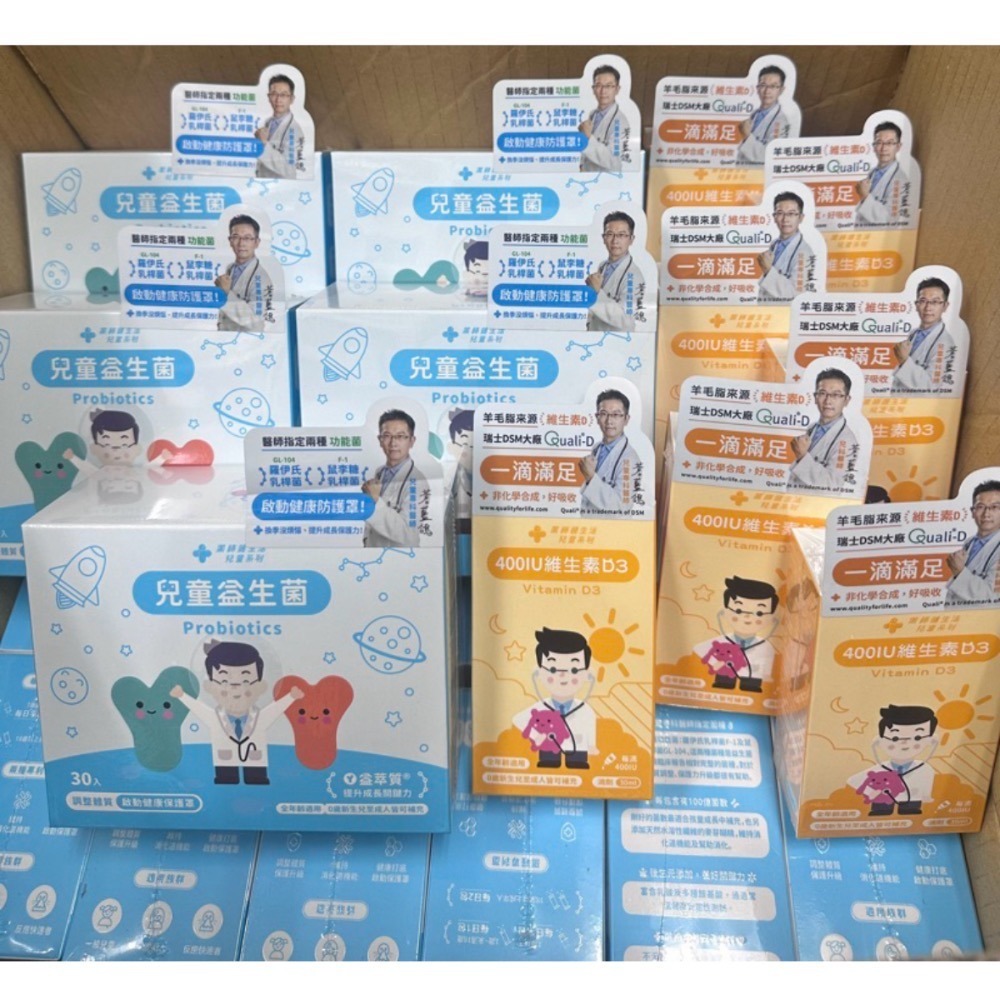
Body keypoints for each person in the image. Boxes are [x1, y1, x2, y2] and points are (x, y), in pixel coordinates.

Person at [170, 640, 303, 786]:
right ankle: (227, 778)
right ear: (210, 687)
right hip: (224, 758)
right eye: (224, 682)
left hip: (255, 758)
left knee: (256, 777)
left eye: (245, 681)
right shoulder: (215, 717)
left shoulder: (259, 717)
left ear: (260, 686)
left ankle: (256, 777)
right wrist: (182, 696)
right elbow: (198, 709)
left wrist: (291, 697)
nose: (235, 688)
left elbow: (275, 710)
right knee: (226, 776)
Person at [512, 628, 598, 769]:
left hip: (578, 747)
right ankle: (549, 760)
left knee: (578, 763)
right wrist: (536, 736)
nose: (562, 676)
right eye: (553, 670)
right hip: (549, 746)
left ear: (587, 674)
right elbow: (518, 719)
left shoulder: (584, 709)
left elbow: (590, 725)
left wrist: (591, 745)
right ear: (539, 673)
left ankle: (577, 760)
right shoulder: (540, 708)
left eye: (574, 670)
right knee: (548, 762)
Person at [848, 705, 939, 816]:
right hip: (882, 800)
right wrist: (872, 793)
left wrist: (925, 796)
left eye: (917, 738)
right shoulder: (878, 770)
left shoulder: (925, 768)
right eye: (895, 738)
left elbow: (926, 784)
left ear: (931, 740)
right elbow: (853, 780)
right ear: (879, 741)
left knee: (911, 809)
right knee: (881, 811)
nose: (905, 743)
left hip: (912, 800)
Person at [693, 577, 779, 693]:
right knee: (723, 685)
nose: (747, 617)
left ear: (771, 619)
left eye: (759, 613)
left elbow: (768, 661)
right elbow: (700, 649)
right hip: (724, 675)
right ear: (725, 612)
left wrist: (764, 672)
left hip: (753, 678)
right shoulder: (720, 642)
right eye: (738, 611)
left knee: (751, 687)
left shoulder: (765, 645)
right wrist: (715, 663)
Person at [361, 409, 429, 547]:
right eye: (387, 436)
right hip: (374, 553)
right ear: (380, 440)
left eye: (400, 436)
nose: (393, 443)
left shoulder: (418, 481)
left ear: (412, 441)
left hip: (400, 556)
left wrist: (375, 500)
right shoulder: (380, 472)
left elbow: (409, 534)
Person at [788, 368, 859, 492]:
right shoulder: (812, 428)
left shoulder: (847, 441)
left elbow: (833, 485)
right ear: (815, 397)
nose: (828, 401)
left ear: (847, 400)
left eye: (836, 395)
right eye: (822, 393)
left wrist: (802, 456)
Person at [579, 388, 642, 515]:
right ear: (597, 417)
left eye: (616, 415)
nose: (609, 421)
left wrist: (590, 477)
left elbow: (622, 505)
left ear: (626, 419)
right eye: (604, 414)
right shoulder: (597, 448)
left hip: (612, 525)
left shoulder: (631, 459)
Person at [891, 277, 957, 392]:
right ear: (916, 305)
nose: (928, 308)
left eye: (935, 302)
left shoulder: (946, 342)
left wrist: (904, 360)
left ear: (945, 306)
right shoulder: (913, 333)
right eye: (923, 301)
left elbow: (931, 386)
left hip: (919, 402)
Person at [64, 408, 169, 474]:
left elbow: (148, 469)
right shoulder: (101, 474)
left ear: (137, 449)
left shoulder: (137, 473)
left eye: (124, 446)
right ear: (94, 449)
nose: (116, 452)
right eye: (107, 446)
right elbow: (88, 469)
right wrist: (72, 458)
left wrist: (162, 459)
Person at [586, 211, 643, 332]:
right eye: (610, 234)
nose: (615, 240)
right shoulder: (603, 266)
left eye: (622, 235)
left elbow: (627, 320)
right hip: (596, 335)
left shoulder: (634, 275)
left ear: (631, 239)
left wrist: (596, 292)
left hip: (616, 339)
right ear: (603, 238)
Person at [945, 480, 1000, 605]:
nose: (986, 514)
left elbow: (993, 598)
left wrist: (960, 572)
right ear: (972, 512)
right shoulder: (969, 543)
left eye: (994, 507)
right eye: (980, 507)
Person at [216, 214, 273, 333]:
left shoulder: (262, 278)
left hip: (246, 340)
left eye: (247, 238)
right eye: (236, 237)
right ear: (230, 241)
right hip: (225, 336)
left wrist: (226, 293)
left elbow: (256, 322)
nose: (241, 243)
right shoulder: (230, 268)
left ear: (257, 242)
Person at [757, 191, 815, 302]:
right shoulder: (774, 244)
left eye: (791, 214)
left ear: (801, 218)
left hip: (784, 311)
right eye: (780, 213)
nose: (785, 219)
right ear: (774, 217)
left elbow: (795, 294)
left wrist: (768, 269)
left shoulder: (805, 253)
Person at [855, 121, 910, 227]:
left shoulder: (901, 179)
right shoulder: (872, 173)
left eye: (889, 143)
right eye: (879, 143)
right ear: (874, 146)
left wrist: (865, 196)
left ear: (898, 147)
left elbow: (888, 218)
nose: (883, 148)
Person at [737, 65, 791, 165]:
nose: (767, 91)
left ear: (781, 90)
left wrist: (747, 136)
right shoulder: (754, 114)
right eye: (763, 85)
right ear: (757, 88)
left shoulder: (782, 122)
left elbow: (771, 155)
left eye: (773, 86)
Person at [579, 64, 625, 172]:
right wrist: (581, 165)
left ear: (617, 89)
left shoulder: (621, 122)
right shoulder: (593, 114)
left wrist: (588, 137)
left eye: (609, 86)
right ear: (593, 89)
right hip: (587, 175)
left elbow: (614, 161)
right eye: (598, 85)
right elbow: (586, 148)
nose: (603, 91)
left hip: (606, 179)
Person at [255, 74, 301, 179]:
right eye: (274, 94)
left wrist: (264, 144)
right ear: (269, 97)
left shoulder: (295, 130)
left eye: (284, 95)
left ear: (292, 99)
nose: (278, 99)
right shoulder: (267, 123)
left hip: (281, 186)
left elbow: (290, 169)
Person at [447, 408, 474, 533]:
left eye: (473, 446)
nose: (467, 450)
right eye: (464, 444)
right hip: (458, 520)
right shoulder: (451, 473)